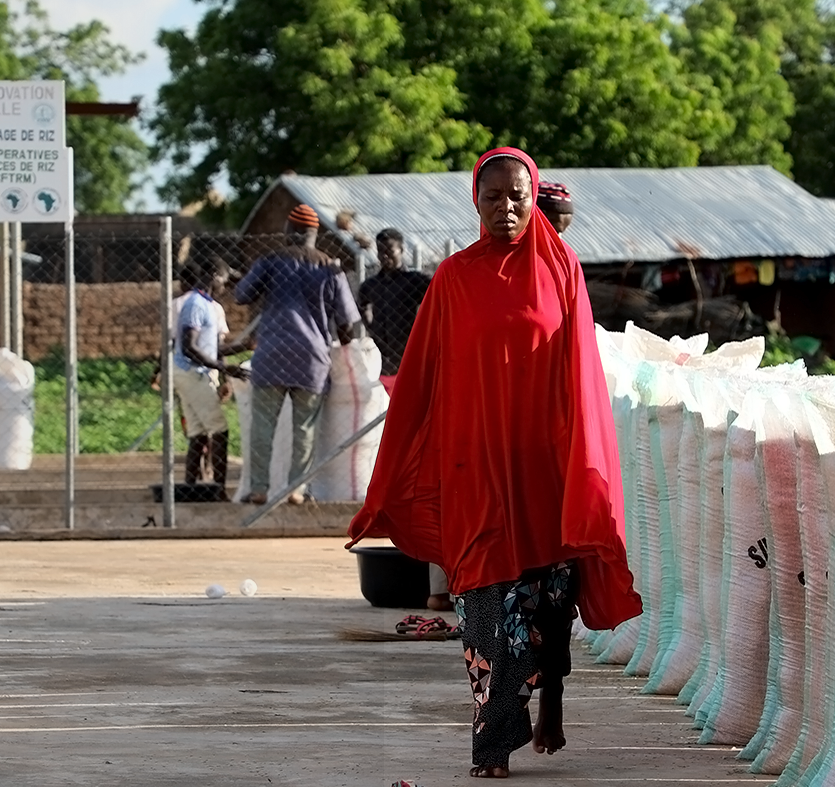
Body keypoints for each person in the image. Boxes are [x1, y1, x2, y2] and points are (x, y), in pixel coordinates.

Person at [348, 148, 641, 779]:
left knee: (546, 607)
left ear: (533, 200)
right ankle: (491, 742)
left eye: (517, 196)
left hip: (542, 467)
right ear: (474, 203)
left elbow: (581, 372)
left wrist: (583, 456)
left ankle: (550, 703)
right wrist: (400, 466)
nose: (505, 207)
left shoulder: (561, 269)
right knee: (483, 604)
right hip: (476, 467)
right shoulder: (453, 278)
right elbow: (422, 373)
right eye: (492, 197)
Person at [233, 203, 361, 506]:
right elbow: (347, 323)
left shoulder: (270, 262)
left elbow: (241, 295)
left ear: (289, 231)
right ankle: (296, 489)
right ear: (314, 234)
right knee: (304, 429)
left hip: (272, 355)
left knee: (263, 425)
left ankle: (259, 488)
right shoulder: (330, 268)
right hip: (311, 360)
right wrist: (344, 346)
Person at [174, 258, 245, 495]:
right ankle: (219, 488)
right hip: (192, 373)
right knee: (220, 430)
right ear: (214, 276)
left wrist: (243, 347)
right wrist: (223, 369)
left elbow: (211, 349)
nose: (225, 286)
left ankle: (191, 488)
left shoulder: (206, 304)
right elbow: (189, 347)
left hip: (190, 372)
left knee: (198, 432)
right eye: (224, 280)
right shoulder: (196, 304)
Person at [357, 228, 431, 385]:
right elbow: (362, 305)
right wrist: (372, 328)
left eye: (389, 250)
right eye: (380, 251)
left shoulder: (414, 280)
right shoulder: (372, 285)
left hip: (410, 353)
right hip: (382, 356)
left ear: (401, 250)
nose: (384, 255)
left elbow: (438, 297)